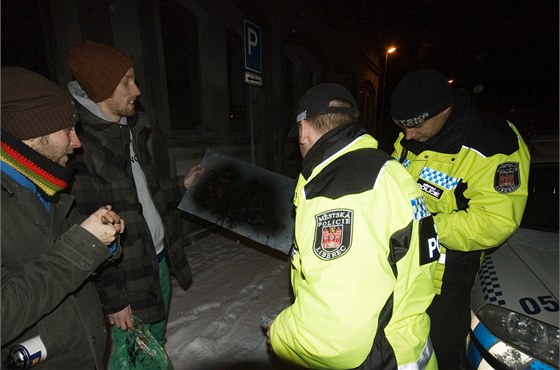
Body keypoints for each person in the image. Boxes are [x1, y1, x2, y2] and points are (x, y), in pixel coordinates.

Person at [267, 83, 440, 369]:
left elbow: (337, 332)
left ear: (303, 129)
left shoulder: (337, 191)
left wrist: (282, 333)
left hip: (377, 358)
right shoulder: (385, 168)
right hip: (405, 343)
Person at [64, 41, 202, 351]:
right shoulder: (82, 148)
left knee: (156, 343)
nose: (137, 90)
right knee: (136, 356)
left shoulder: (127, 129)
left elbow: (142, 196)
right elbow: (84, 235)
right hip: (127, 277)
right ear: (102, 86)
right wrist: (114, 299)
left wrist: (183, 184)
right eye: (126, 81)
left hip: (156, 260)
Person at [389, 68, 530, 369]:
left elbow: (494, 221)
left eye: (414, 126)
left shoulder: (494, 143)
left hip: (447, 280)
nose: (406, 136)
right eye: (401, 127)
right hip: (403, 266)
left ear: (444, 109)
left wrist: (422, 227)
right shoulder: (410, 136)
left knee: (441, 352)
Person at [1, 67, 125, 369]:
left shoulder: (42, 184)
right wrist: (84, 245)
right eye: (66, 130)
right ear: (32, 133)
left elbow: (62, 266)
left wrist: (103, 243)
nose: (76, 142)